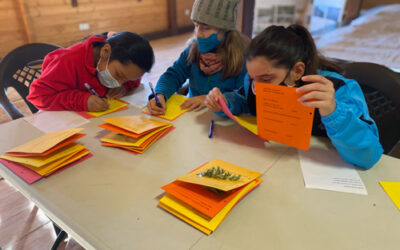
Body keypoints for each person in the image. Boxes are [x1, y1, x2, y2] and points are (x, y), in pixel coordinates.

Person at [205, 25, 383, 169]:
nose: (256, 88)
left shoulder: (339, 90)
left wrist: (334, 112)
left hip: (320, 171)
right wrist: (224, 102)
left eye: (266, 79)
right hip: (270, 162)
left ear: (297, 71)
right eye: (252, 78)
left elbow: (369, 156)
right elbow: (244, 101)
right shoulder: (255, 80)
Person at [147, 0, 248, 115]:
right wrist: (160, 94)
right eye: (196, 25)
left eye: (206, 28)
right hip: (193, 116)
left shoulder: (242, 59)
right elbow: (173, 75)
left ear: (226, 30)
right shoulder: (191, 50)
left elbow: (243, 99)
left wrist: (215, 100)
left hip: (223, 122)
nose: (198, 33)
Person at [27, 31, 155, 112]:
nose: (118, 83)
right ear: (105, 52)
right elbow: (37, 96)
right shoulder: (67, 61)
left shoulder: (126, 66)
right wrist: (82, 101)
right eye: (118, 75)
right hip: (67, 124)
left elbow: (133, 78)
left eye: (126, 79)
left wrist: (125, 87)